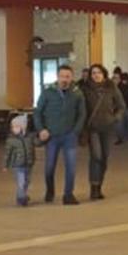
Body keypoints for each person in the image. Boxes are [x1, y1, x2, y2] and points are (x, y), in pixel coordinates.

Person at [35, 63, 87, 205]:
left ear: (72, 78)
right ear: (57, 77)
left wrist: (76, 131)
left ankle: (68, 194)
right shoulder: (47, 92)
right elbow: (37, 112)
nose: (65, 79)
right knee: (49, 167)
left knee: (71, 166)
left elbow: (82, 114)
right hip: (51, 136)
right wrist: (41, 129)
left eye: (68, 77)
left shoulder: (77, 93)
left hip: (69, 136)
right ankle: (50, 190)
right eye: (62, 76)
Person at [82, 62, 124, 201]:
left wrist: (115, 118)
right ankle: (93, 188)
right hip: (92, 128)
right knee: (96, 156)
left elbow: (121, 106)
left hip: (108, 127)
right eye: (93, 73)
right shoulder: (85, 89)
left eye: (98, 73)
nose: (96, 75)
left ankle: (99, 185)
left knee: (104, 157)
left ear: (104, 74)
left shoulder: (111, 87)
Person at [4, 111, 36, 207]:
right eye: (13, 127)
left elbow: (36, 143)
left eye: (17, 127)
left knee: (26, 181)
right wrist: (6, 165)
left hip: (28, 164)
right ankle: (21, 198)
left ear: (23, 128)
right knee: (21, 182)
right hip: (17, 165)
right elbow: (7, 153)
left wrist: (43, 139)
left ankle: (22, 195)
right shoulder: (11, 140)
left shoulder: (29, 138)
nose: (14, 129)